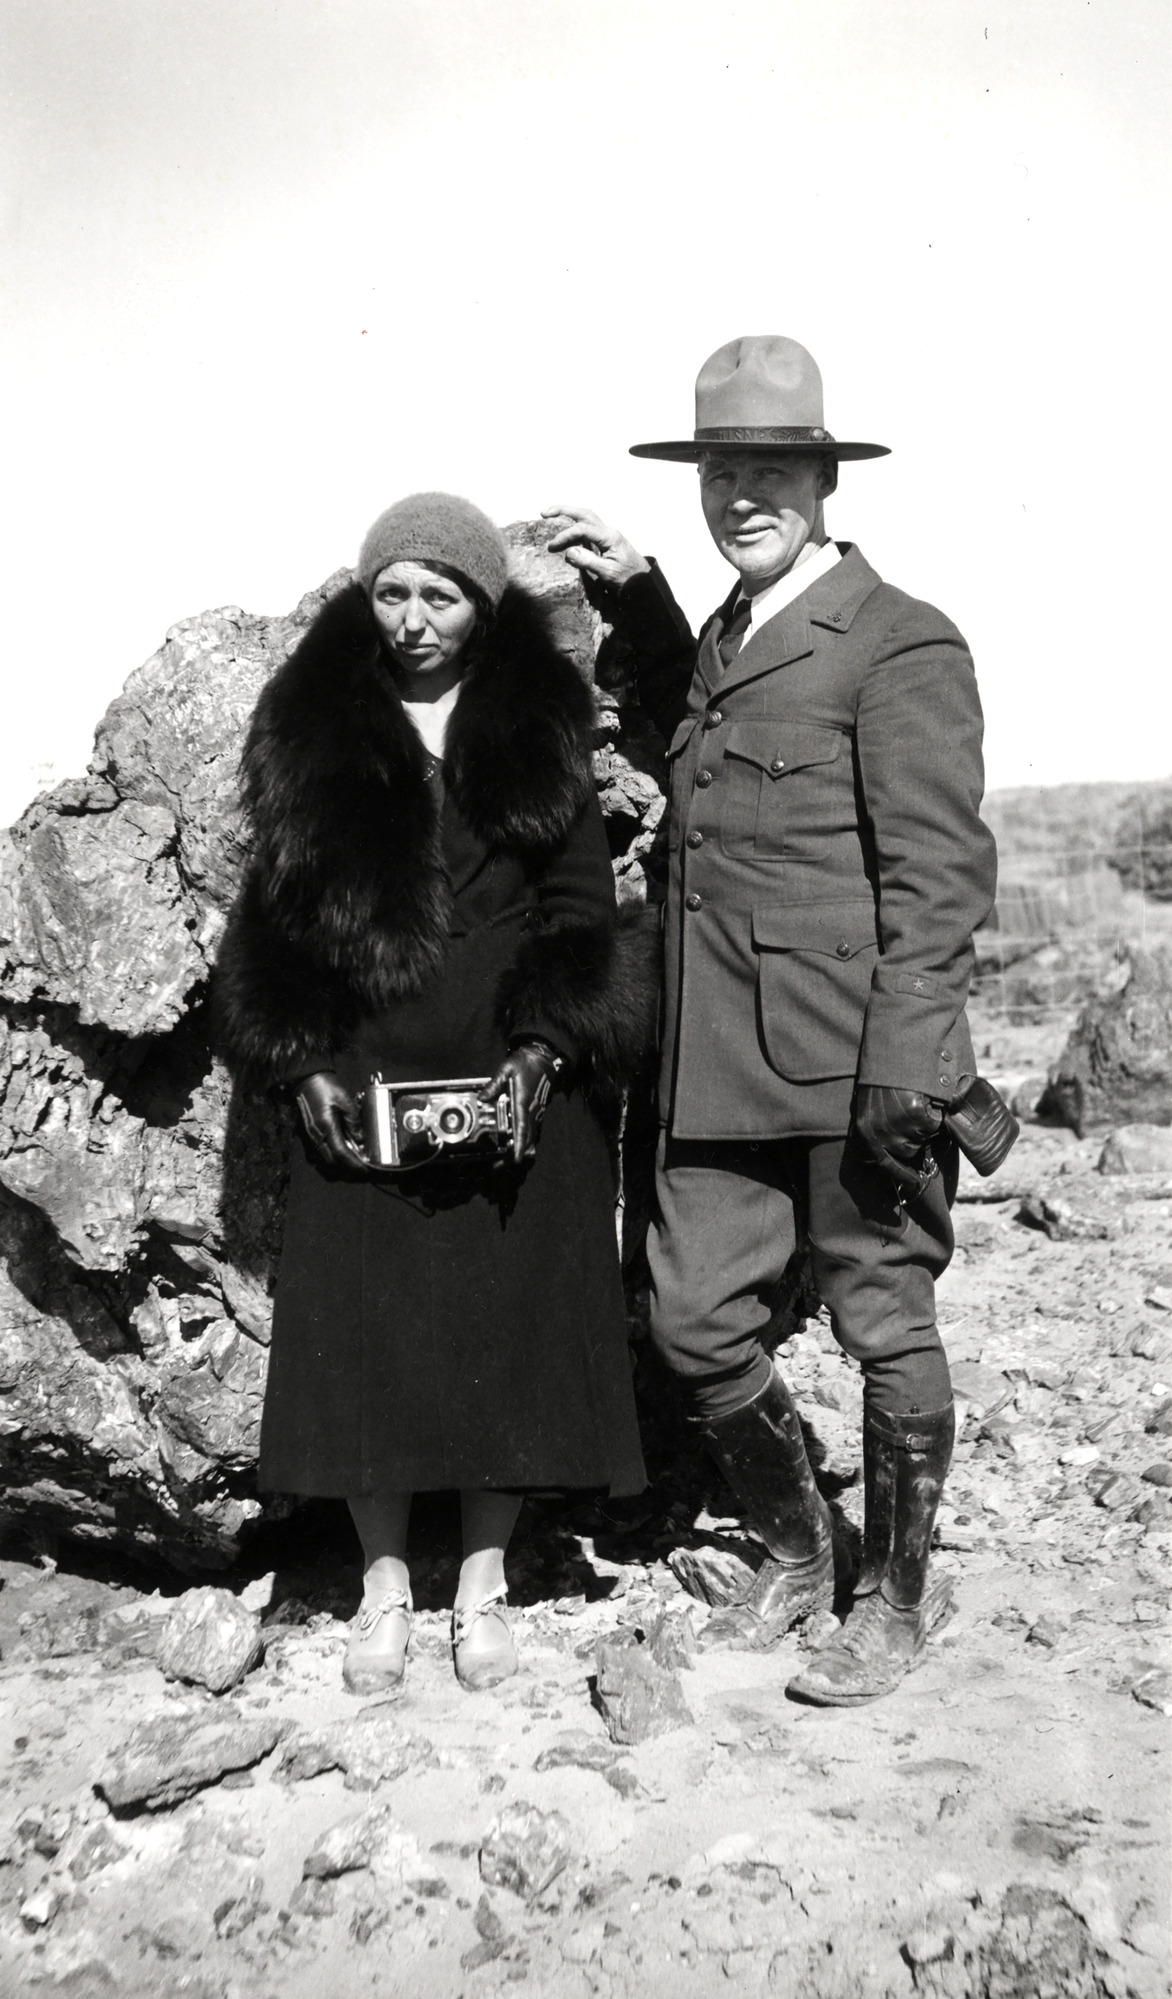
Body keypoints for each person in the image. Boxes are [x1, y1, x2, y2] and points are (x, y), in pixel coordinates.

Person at [546, 334, 1000, 1704]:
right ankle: (802, 1552)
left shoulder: (899, 639)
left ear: (819, 477)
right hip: (712, 1062)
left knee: (884, 1316)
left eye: (770, 471)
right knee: (689, 1317)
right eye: (722, 471)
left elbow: (940, 874)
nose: (743, 495)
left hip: (852, 1059)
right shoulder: (718, 649)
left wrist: (909, 1059)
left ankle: (896, 1602)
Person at [216, 492, 649, 1697]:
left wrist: (541, 1051)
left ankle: (481, 1585)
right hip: (363, 1068)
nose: (413, 620)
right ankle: (383, 1587)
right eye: (392, 592)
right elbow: (273, 918)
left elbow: (581, 911)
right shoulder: (310, 726)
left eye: (440, 594)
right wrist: (301, 1062)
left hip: (516, 1069)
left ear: (481, 604)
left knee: (503, 1321)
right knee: (365, 1327)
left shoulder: (533, 721)